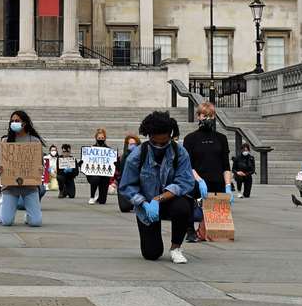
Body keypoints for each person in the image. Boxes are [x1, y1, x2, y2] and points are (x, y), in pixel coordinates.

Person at [118, 110, 200, 264]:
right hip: (146, 204)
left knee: (183, 207)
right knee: (151, 253)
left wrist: (158, 199)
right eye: (156, 142)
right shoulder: (137, 156)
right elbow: (127, 186)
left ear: (170, 136)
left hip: (171, 199)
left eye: (164, 142)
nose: (160, 146)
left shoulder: (179, 152)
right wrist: (143, 203)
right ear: (149, 137)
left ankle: (176, 247)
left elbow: (185, 182)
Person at [183, 102, 233, 218]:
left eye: (211, 116)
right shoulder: (190, 138)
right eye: (205, 116)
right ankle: (192, 231)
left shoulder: (221, 138)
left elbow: (226, 165)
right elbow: (188, 166)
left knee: (217, 220)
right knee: (197, 216)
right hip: (197, 183)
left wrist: (228, 186)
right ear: (198, 116)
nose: (208, 119)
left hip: (218, 184)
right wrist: (200, 181)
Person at [0, 110, 46, 227]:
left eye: (17, 121)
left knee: (36, 222)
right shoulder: (5, 141)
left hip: (30, 186)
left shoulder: (34, 141)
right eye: (12, 121)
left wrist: (40, 170)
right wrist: (0, 170)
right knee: (6, 222)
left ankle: (29, 216)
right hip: (10, 187)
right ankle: (3, 210)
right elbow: (0, 164)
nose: (14, 123)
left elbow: (40, 164)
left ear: (24, 123)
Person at [85, 129, 113, 204]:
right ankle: (92, 196)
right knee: (95, 178)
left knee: (102, 201)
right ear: (96, 138)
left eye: (102, 138)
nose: (101, 139)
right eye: (99, 138)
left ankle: (99, 197)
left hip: (104, 174)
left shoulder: (109, 150)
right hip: (93, 173)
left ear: (105, 139)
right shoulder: (91, 149)